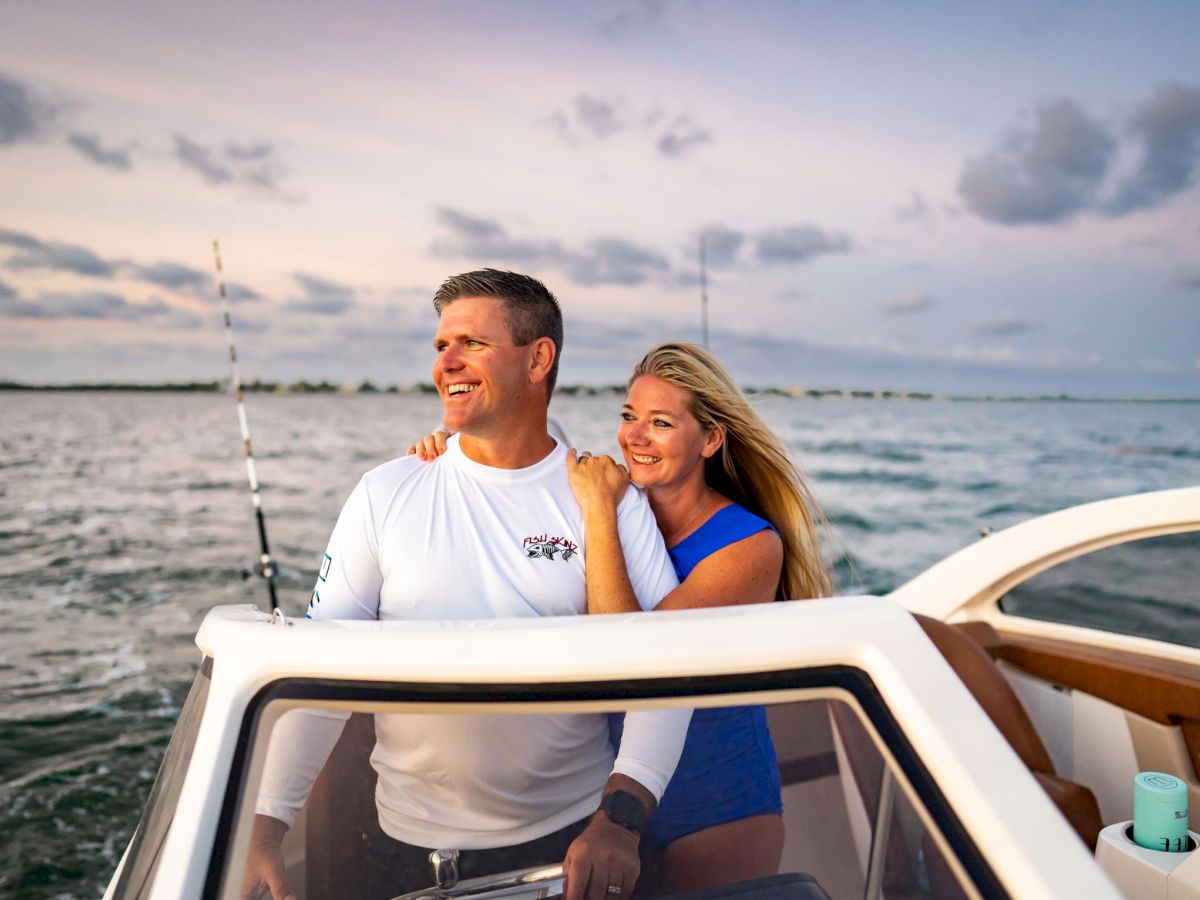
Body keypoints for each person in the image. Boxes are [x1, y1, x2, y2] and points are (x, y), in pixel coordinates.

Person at [242, 270, 688, 900]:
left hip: (568, 850)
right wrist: (264, 832)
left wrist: (619, 823)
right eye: (439, 346)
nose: (446, 361)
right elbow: (322, 674)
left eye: (472, 344)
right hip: (399, 847)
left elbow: (669, 668)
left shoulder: (604, 496)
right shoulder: (386, 491)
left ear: (539, 359)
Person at [408, 342, 831, 892]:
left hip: (716, 804)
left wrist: (602, 513)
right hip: (605, 794)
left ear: (710, 439)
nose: (634, 436)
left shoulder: (748, 546)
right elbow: (518, 462)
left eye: (660, 422)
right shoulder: (610, 499)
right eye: (629, 416)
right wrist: (455, 454)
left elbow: (630, 660)